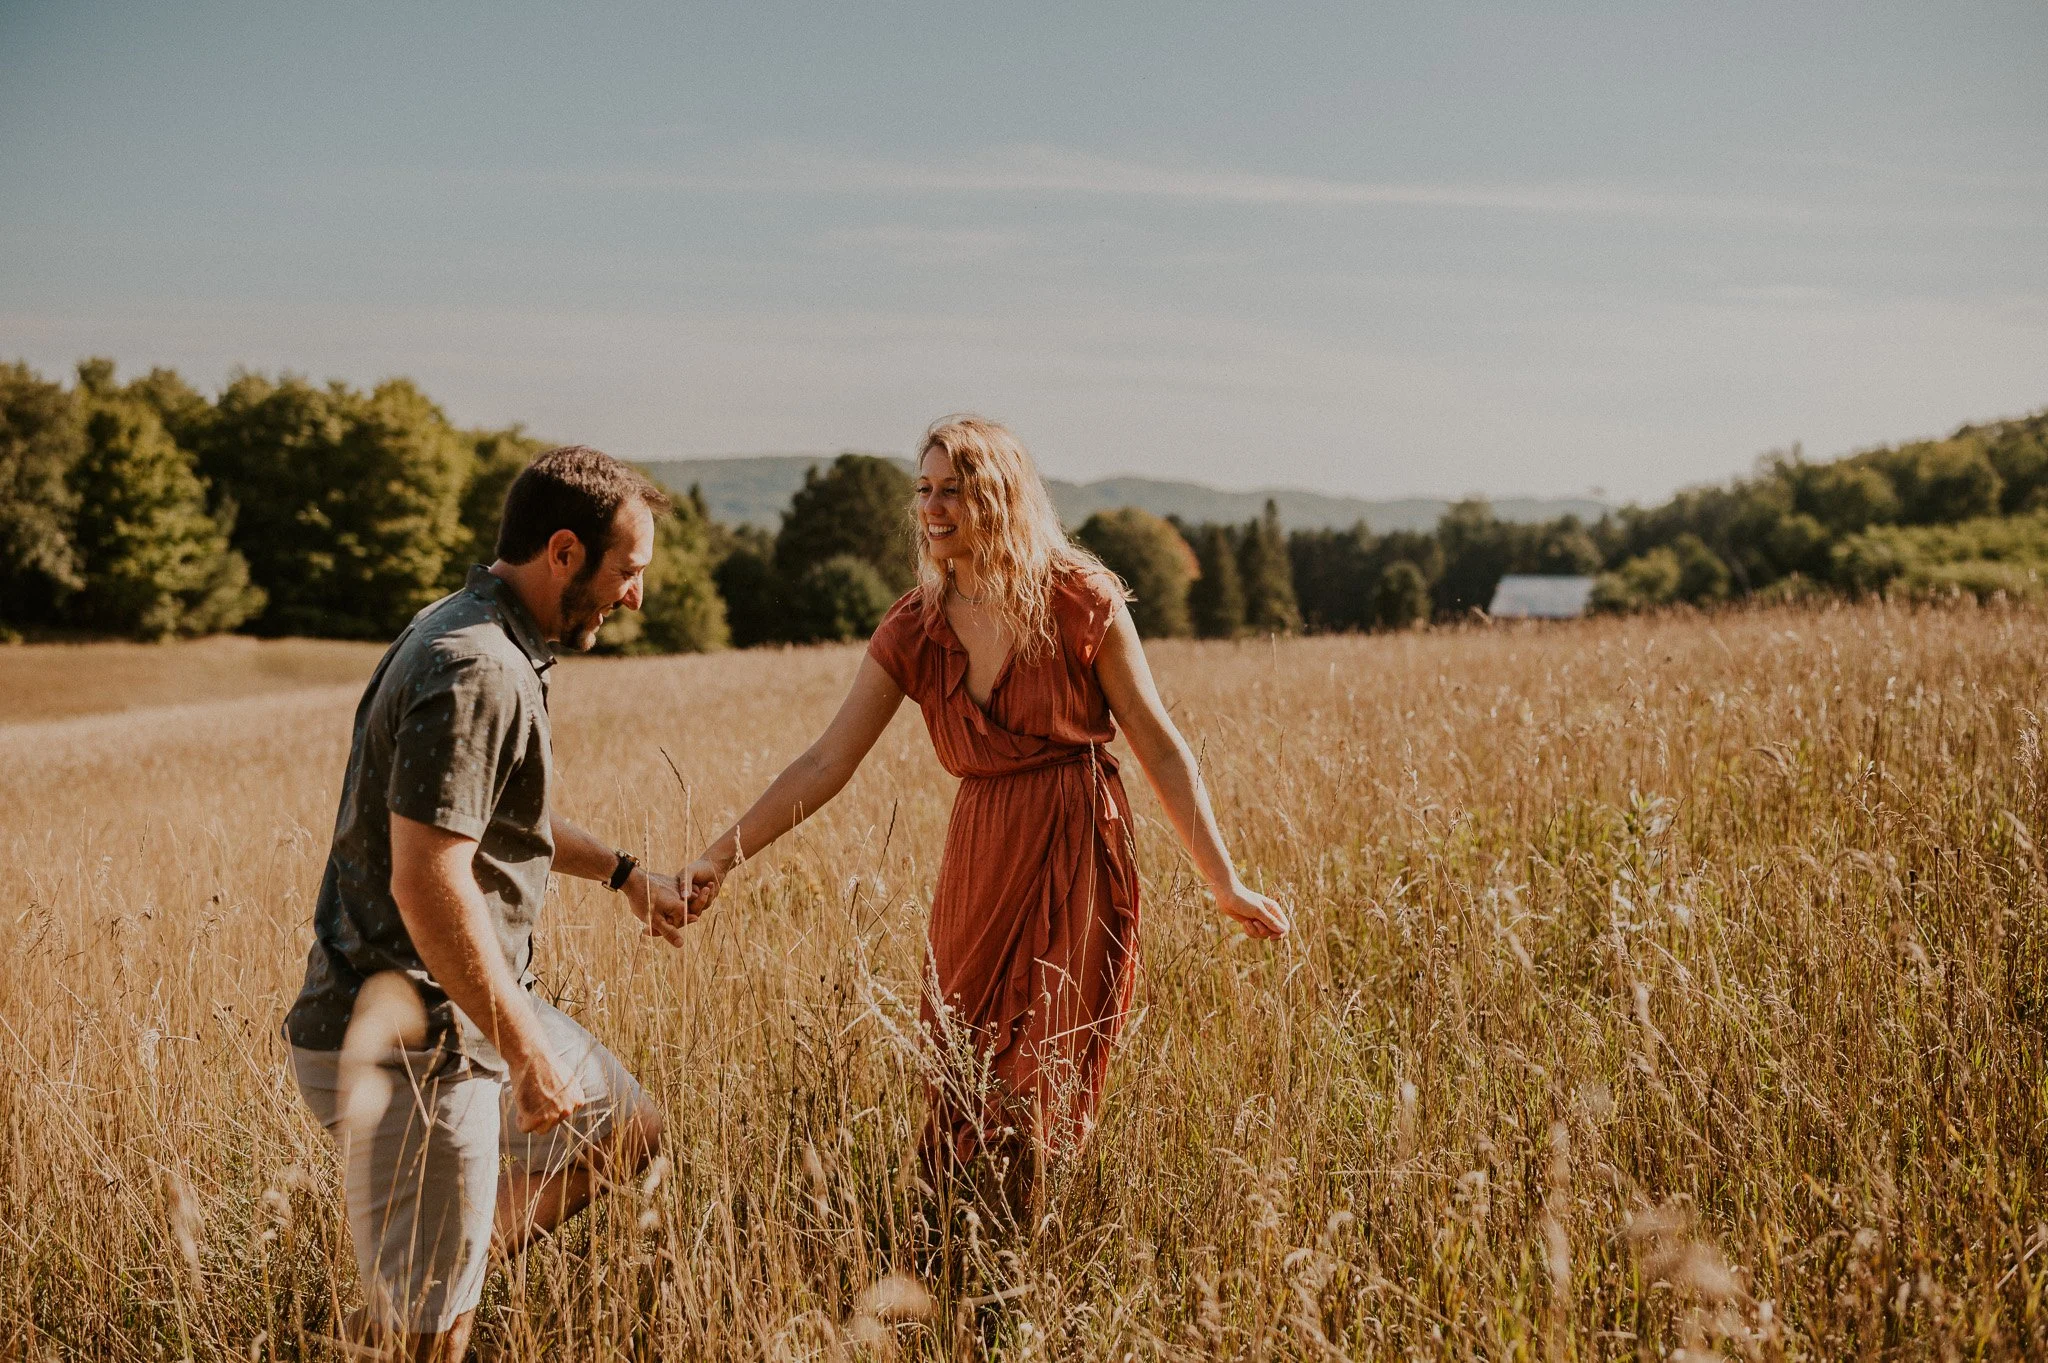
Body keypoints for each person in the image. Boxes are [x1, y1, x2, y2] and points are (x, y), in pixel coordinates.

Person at [680, 415, 1289, 1214]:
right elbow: (828, 760)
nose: (931, 508)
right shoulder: (914, 625)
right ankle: (952, 1245)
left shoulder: (1081, 600)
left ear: (997, 497)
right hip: (980, 856)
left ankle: (1030, 1247)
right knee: (962, 1067)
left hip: (1077, 842)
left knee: (1049, 1065)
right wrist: (721, 854)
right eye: (923, 490)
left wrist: (1225, 880)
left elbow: (1159, 744)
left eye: (953, 491)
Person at [282, 446, 692, 1361]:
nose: (636, 597)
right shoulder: (481, 667)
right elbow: (428, 877)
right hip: (420, 1047)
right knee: (433, 1344)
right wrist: (523, 1051)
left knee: (629, 1128)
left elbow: (494, 806)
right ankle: (412, 1306)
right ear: (563, 551)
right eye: (628, 571)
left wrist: (626, 875)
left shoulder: (480, 632)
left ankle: (417, 1285)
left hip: (462, 1020)